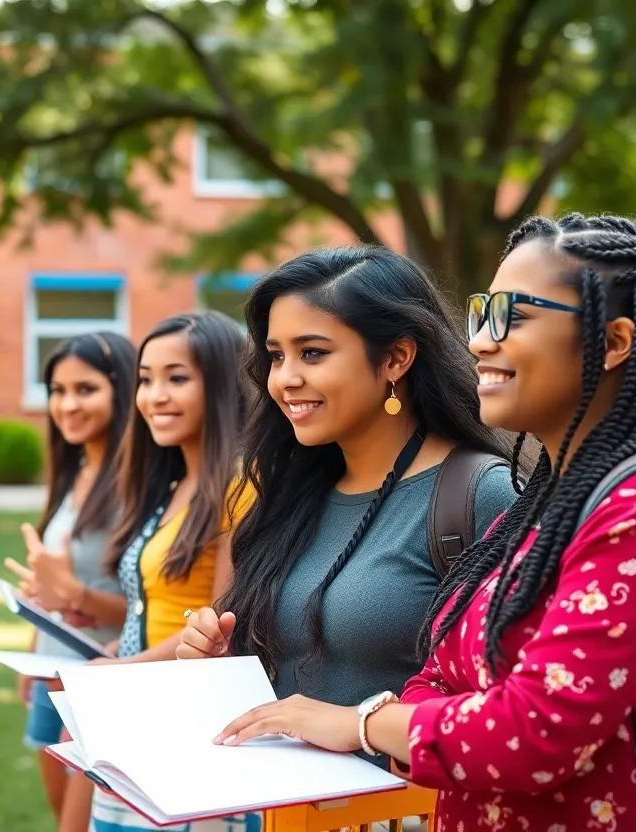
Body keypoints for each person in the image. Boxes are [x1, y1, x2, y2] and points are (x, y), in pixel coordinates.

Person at [211, 202, 636, 832]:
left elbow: (534, 730)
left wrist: (361, 723)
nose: (481, 339)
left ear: (614, 342)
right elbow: (436, 676)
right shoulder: (557, 500)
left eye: (516, 316)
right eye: (484, 311)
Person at [175, 247, 517, 768]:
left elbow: (515, 707)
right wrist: (227, 660)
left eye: (312, 353)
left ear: (396, 359)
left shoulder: (478, 494)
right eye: (275, 355)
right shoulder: (291, 492)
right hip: (286, 810)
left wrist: (363, 726)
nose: (285, 378)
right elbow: (295, 686)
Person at [90, 311, 259, 832]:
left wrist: (124, 669)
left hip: (191, 728)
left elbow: (219, 622)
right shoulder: (166, 488)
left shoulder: (239, 486)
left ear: (223, 386)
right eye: (145, 380)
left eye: (177, 378)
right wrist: (118, 654)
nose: (154, 395)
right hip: (137, 718)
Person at [2, 332, 136, 832]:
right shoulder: (75, 467)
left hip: (100, 677)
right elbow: (53, 580)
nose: (66, 404)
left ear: (122, 390)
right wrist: (30, 646)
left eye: (85, 389)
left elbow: (145, 609)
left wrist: (72, 596)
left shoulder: (135, 483)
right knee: (61, 815)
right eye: (57, 390)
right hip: (50, 670)